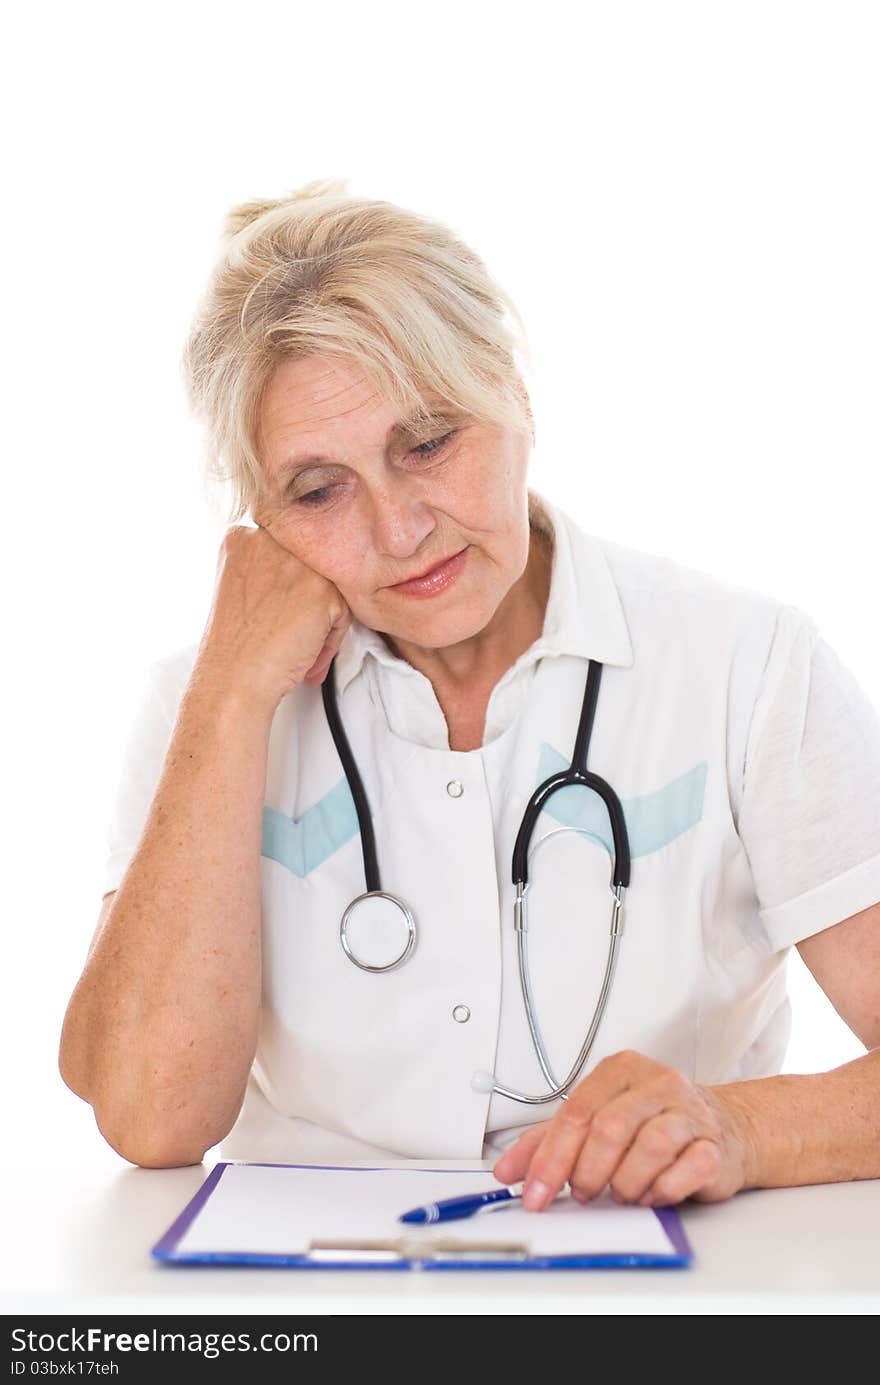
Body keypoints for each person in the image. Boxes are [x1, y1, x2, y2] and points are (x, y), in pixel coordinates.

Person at [59, 177, 880, 1214]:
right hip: (304, 1306)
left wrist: (743, 1126)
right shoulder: (206, 699)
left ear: (514, 392)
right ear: (259, 516)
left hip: (650, 1285)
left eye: (431, 440)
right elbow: (149, 1115)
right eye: (319, 490)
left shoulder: (745, 662)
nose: (400, 530)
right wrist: (228, 699)